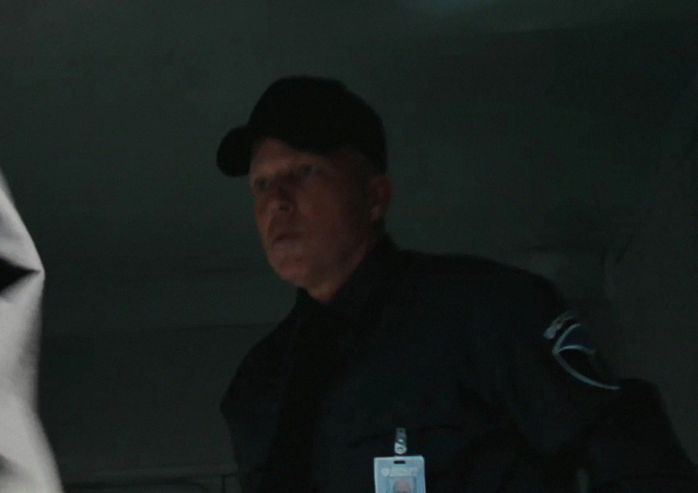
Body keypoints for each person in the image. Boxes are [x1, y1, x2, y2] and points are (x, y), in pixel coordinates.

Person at [216, 76, 698, 493]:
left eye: (305, 172)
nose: (277, 202)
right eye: (261, 184)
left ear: (375, 197)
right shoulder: (260, 381)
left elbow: (635, 457)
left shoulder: (486, 311)